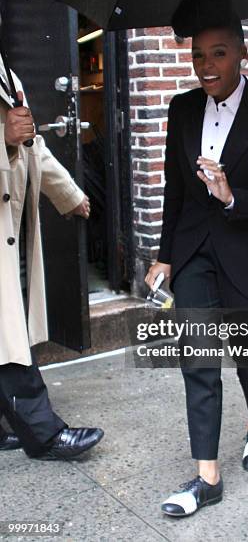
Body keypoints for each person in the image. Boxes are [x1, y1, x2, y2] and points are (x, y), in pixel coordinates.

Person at [145, 0, 248, 517]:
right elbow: (173, 188)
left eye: (219, 54)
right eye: (198, 56)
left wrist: (233, 196)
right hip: (192, 253)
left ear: (242, 52)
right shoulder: (182, 108)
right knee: (199, 359)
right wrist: (164, 254)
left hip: (245, 248)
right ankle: (207, 474)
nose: (206, 67)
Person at [0, 44, 104, 459]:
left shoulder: (7, 73)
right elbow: (14, 139)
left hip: (11, 226)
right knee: (8, 334)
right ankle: (44, 436)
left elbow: (32, 145)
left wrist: (70, 195)